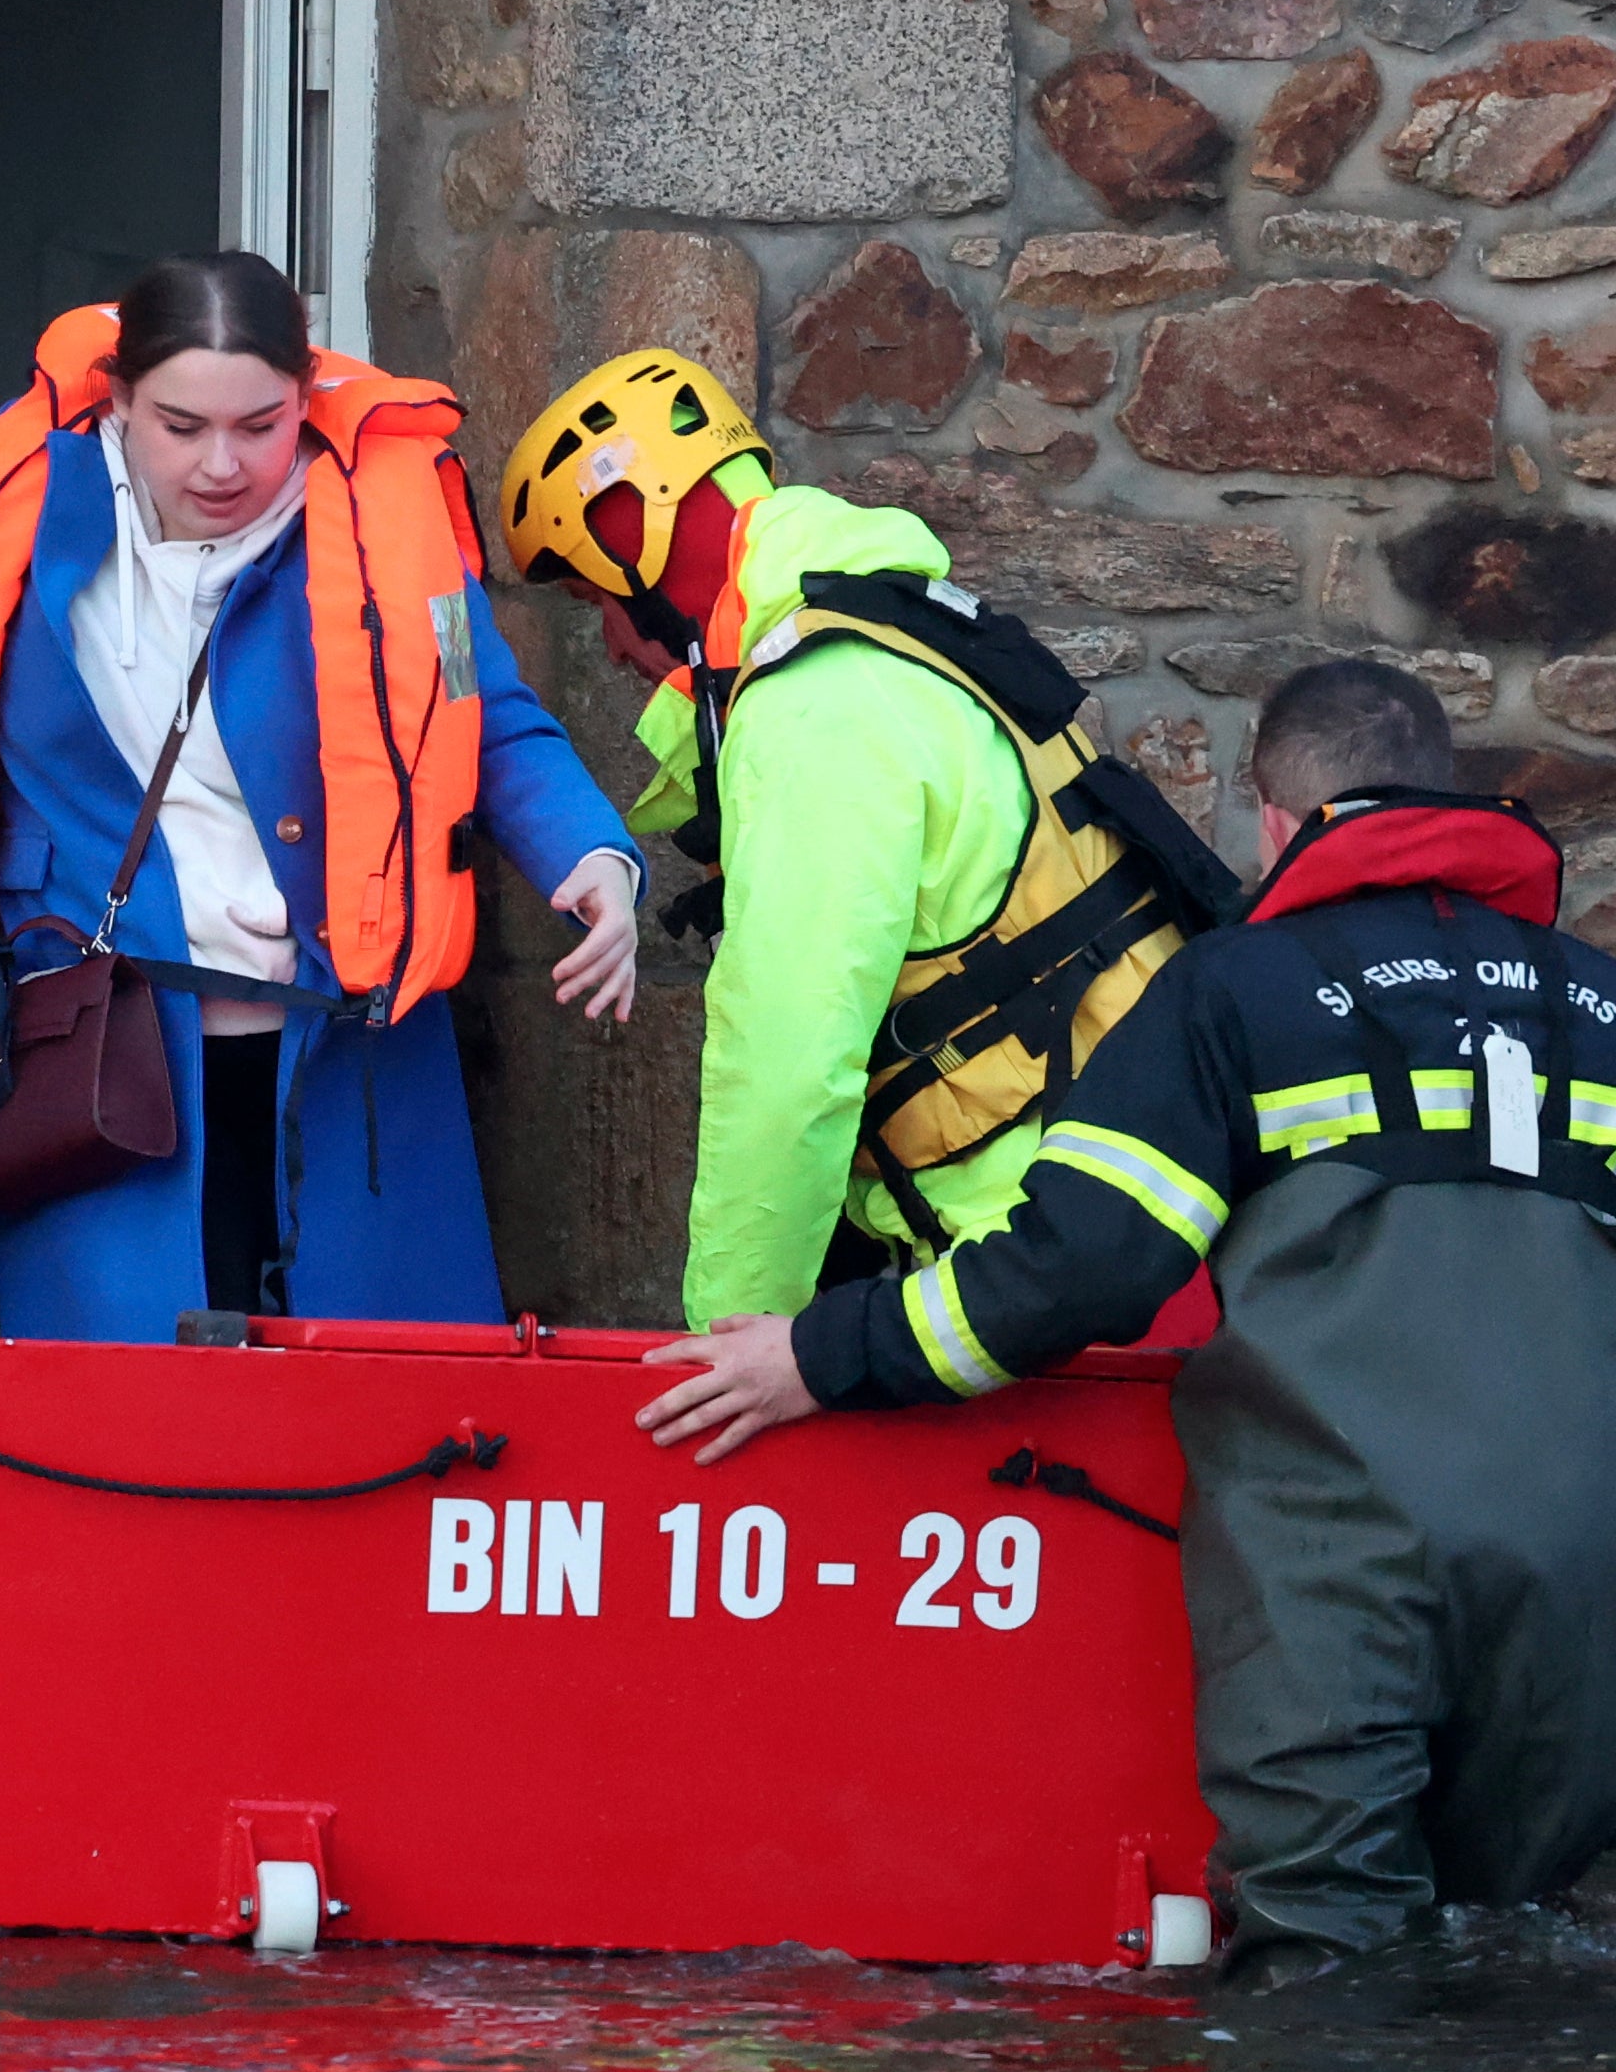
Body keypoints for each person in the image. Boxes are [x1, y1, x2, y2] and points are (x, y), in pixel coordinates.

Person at [635, 660, 1616, 1982]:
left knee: (1328, 1962)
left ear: (1272, 817)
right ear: (1449, 792)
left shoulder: (1236, 992)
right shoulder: (1614, 1007)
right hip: (1609, 1542)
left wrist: (819, 1353)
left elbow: (1079, 1270)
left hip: (1353, 1536)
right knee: (1506, 1953)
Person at [0, 252, 644, 1341]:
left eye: (260, 425)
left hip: (349, 1056)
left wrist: (591, 861)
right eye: (182, 427)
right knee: (129, 1410)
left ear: (305, 401)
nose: (223, 463)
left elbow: (489, 720)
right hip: (107, 1060)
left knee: (374, 1408)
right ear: (120, 399)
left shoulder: (396, 538)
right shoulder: (7, 505)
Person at [491, 350, 1237, 1335]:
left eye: (600, 607)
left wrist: (730, 1345)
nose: (615, 650)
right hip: (1127, 1216)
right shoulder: (896, 632)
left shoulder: (815, 708)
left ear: (649, 558)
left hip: (1041, 1267)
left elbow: (787, 1066)